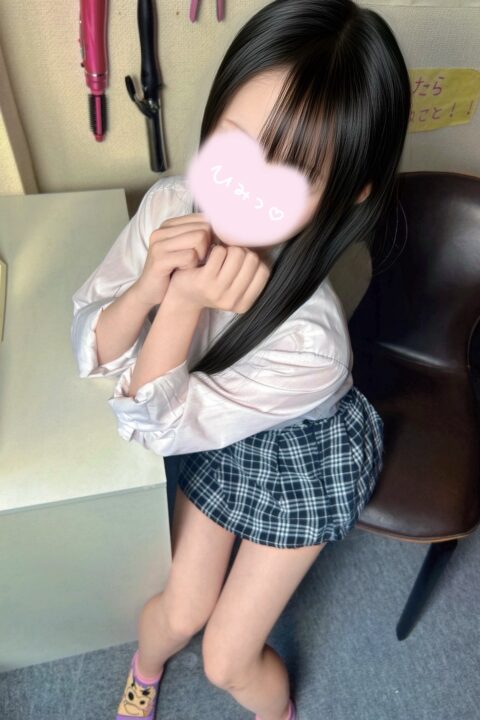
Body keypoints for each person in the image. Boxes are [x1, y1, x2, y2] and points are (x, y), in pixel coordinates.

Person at [70, 1, 411, 718]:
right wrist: (148, 287)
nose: (244, 189)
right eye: (235, 145)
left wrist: (183, 301)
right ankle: (144, 672)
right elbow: (93, 350)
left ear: (349, 191)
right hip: (211, 426)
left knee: (228, 659)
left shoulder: (312, 345)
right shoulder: (171, 205)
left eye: (292, 174)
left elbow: (154, 428)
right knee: (178, 612)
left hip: (303, 454)